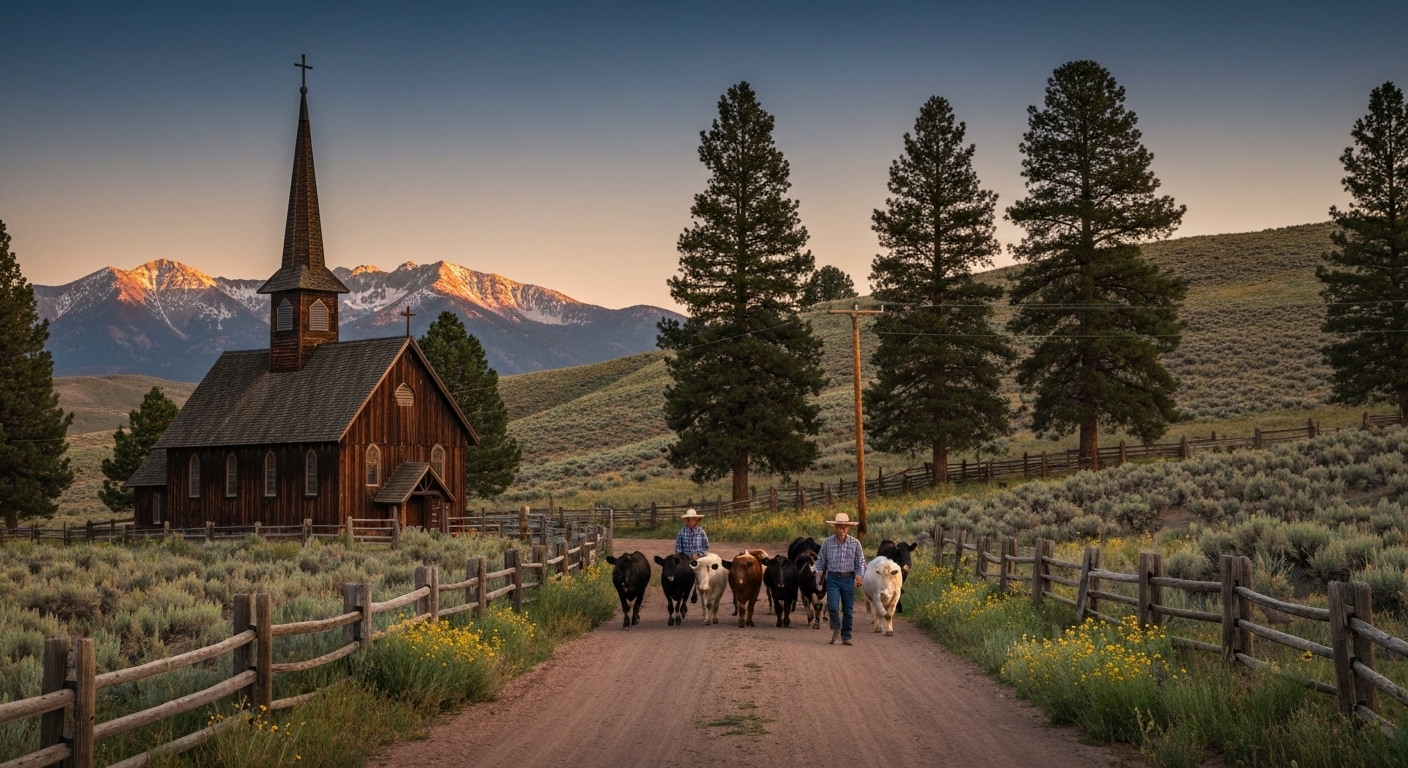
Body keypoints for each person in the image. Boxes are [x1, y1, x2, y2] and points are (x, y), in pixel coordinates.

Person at [813, 512, 866, 645]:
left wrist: (859, 575)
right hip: (833, 578)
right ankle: (836, 627)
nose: (842, 530)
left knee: (848, 609)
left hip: (848, 578)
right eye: (839, 527)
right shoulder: (827, 543)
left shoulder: (855, 543)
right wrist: (819, 573)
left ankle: (846, 636)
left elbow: (860, 561)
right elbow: (821, 560)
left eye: (844, 527)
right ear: (835, 528)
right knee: (832, 605)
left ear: (848, 528)